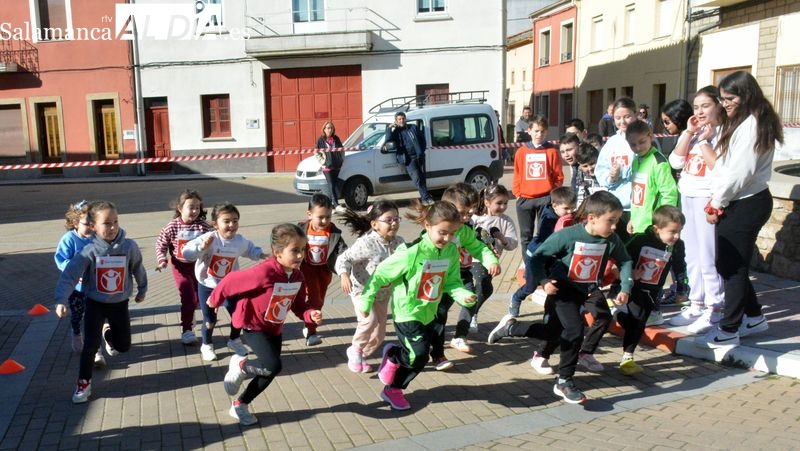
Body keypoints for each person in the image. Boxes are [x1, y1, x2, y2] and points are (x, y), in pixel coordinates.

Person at [490, 191, 633, 403]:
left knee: (552, 333)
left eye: (617, 221)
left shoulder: (612, 240)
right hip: (561, 290)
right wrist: (544, 281)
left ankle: (511, 328)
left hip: (584, 291)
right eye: (610, 221)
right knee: (575, 331)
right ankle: (564, 381)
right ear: (592, 218)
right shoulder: (567, 236)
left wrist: (625, 288)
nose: (614, 227)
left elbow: (625, 261)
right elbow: (537, 258)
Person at [359, 201, 477, 411]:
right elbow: (380, 274)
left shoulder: (450, 251)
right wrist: (366, 300)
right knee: (419, 355)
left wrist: (463, 294)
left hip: (428, 312)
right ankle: (393, 389)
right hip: (407, 312)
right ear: (427, 226)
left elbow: (452, 282)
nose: (447, 238)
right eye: (442, 232)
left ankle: (394, 354)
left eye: (452, 233)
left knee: (416, 352)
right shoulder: (410, 253)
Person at [697, 71, 782, 349]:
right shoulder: (745, 120)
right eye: (722, 99)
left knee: (732, 267)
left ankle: (729, 329)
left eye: (730, 98)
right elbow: (727, 167)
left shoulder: (753, 124)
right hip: (741, 199)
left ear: (745, 95)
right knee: (729, 264)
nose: (725, 103)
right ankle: (754, 316)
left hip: (746, 201)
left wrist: (716, 203)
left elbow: (738, 175)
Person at [209, 223, 322, 426]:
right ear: (277, 252)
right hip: (253, 325)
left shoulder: (298, 276)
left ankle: (240, 405)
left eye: (302, 250)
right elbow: (231, 280)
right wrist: (214, 299)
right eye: (294, 250)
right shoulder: (265, 272)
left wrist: (309, 314)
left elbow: (298, 305)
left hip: (274, 328)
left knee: (271, 370)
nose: (300, 256)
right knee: (273, 365)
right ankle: (241, 365)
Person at [54, 201, 148, 404]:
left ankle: (110, 335)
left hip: (119, 304)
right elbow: (70, 275)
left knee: (123, 346)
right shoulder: (88, 250)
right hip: (94, 303)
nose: (112, 227)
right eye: (106, 223)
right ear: (94, 226)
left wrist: (142, 288)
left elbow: (138, 267)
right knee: (90, 345)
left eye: (115, 221)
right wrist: (61, 300)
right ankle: (83, 383)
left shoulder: (129, 246)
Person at [668, 87, 727, 333]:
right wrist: (690, 133)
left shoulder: (723, 133)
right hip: (688, 194)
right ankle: (696, 301)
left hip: (707, 197)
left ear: (718, 106)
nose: (700, 111)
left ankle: (715, 307)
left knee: (707, 253)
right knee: (691, 251)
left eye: (705, 105)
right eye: (696, 106)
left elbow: (721, 168)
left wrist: (704, 141)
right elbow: (675, 161)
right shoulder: (692, 133)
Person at [182, 202, 268, 361]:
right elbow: (186, 252)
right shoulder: (209, 239)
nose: (232, 225)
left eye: (235, 221)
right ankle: (206, 344)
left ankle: (234, 340)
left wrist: (262, 255)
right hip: (208, 285)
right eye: (226, 221)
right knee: (210, 320)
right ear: (215, 224)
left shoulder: (239, 241)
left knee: (238, 315)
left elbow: (250, 249)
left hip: (230, 286)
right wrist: (201, 248)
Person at [433, 183, 500, 365]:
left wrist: (491, 261)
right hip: (438, 277)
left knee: (471, 298)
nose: (465, 217)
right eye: (462, 213)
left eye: (469, 213)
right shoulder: (434, 228)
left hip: (462, 273)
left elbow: (479, 247)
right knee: (439, 313)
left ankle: (459, 336)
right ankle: (436, 350)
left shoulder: (465, 228)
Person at [335, 200, 404, 373]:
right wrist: (344, 274)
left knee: (379, 335)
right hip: (361, 290)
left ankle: (361, 355)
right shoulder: (366, 243)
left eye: (396, 219)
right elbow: (344, 258)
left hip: (382, 293)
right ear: (374, 224)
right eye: (388, 220)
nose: (394, 223)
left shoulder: (399, 242)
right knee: (369, 320)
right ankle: (355, 350)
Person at [616, 206, 687, 375]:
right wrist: (629, 274)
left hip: (653, 291)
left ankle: (620, 317)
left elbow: (680, 267)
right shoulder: (640, 240)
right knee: (638, 319)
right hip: (633, 287)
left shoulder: (677, 246)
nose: (676, 236)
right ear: (657, 229)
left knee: (639, 321)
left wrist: (682, 289)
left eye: (680, 232)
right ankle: (627, 358)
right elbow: (621, 258)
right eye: (672, 232)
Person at [491, 186, 576, 324]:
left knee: (554, 285)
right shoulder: (549, 218)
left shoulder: (565, 216)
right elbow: (547, 239)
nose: (570, 212)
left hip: (553, 258)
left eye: (573, 208)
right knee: (531, 286)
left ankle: (549, 317)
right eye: (566, 209)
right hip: (536, 257)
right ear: (554, 205)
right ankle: (516, 298)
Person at [453, 184, 517, 340]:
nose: (502, 206)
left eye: (505, 203)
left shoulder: (506, 221)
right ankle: (470, 315)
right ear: (487, 202)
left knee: (486, 289)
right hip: (474, 258)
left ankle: (471, 311)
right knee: (482, 283)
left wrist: (503, 239)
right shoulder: (475, 218)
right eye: (499, 203)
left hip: (492, 262)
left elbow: (513, 244)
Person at [155, 190, 212, 345]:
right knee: (188, 297)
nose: (194, 211)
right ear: (180, 208)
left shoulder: (203, 227)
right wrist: (162, 260)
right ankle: (187, 330)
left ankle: (192, 318)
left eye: (197, 208)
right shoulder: (172, 227)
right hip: (180, 267)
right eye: (190, 207)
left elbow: (214, 242)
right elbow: (161, 244)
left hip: (198, 267)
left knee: (197, 300)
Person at [297, 193, 348, 346]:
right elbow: (287, 245)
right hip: (307, 269)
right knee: (315, 300)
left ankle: (308, 322)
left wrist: (345, 271)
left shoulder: (333, 232)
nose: (325, 221)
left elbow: (343, 252)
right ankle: (311, 333)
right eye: (320, 217)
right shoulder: (300, 230)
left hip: (324, 272)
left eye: (328, 217)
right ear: (309, 215)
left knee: (319, 300)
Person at [512, 115, 564, 255]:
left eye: (542, 131)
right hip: (525, 198)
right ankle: (527, 261)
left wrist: (552, 194)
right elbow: (517, 173)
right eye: (536, 131)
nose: (539, 134)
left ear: (546, 132)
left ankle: (540, 262)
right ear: (529, 131)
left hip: (545, 198)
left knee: (544, 233)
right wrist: (517, 193)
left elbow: (558, 175)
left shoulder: (551, 151)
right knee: (525, 235)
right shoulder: (521, 152)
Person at [54, 200, 95, 354]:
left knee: (95, 318)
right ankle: (77, 333)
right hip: (76, 289)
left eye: (93, 223)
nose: (91, 227)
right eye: (87, 223)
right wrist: (74, 269)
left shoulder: (96, 238)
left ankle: (96, 349)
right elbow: (61, 260)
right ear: (75, 223)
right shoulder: (69, 239)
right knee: (77, 316)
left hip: (93, 287)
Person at [595, 97, 638, 242]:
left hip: (637, 206)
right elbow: (600, 170)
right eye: (618, 118)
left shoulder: (644, 139)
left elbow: (646, 168)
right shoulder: (611, 143)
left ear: (635, 115)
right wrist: (611, 177)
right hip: (615, 206)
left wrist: (623, 172)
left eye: (627, 117)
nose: (623, 122)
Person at [627, 120, 679, 235]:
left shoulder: (659, 162)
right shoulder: (636, 160)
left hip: (653, 226)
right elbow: (636, 194)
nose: (638, 148)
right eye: (633, 145)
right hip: (638, 224)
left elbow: (669, 194)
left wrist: (663, 223)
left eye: (642, 142)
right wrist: (633, 219)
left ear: (650, 137)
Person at [384, 111, 433, 205]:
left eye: (403, 119)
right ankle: (426, 198)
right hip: (408, 159)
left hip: (419, 156)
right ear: (396, 121)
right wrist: (390, 128)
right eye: (399, 119)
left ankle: (425, 198)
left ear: (405, 119)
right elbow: (388, 140)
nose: (401, 121)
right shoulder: (395, 132)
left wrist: (421, 151)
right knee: (417, 178)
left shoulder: (413, 128)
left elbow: (422, 139)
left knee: (422, 177)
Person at [315, 121, 346, 212]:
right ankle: (336, 205)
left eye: (331, 128)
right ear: (324, 129)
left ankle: (330, 206)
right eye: (328, 128)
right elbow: (316, 152)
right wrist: (322, 161)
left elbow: (342, 149)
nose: (330, 130)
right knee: (331, 184)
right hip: (327, 166)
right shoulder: (320, 140)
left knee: (334, 185)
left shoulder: (336, 138)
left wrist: (341, 159)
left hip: (336, 165)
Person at [574, 142, 605, 207]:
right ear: (580, 165)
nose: (590, 168)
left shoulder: (606, 171)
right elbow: (580, 196)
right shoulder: (580, 173)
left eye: (592, 163)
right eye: (585, 166)